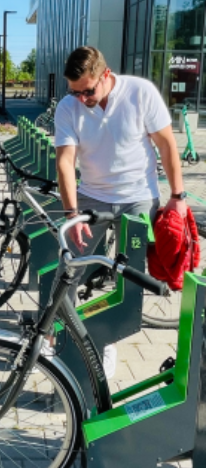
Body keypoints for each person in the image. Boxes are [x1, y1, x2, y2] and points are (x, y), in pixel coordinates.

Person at [53, 46, 186, 377]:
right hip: (91, 197)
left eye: (88, 90)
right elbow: (65, 162)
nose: (82, 98)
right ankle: (56, 336)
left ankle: (107, 339)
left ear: (105, 74)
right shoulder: (69, 107)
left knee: (129, 281)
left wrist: (178, 196)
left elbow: (167, 144)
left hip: (138, 198)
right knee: (69, 268)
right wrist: (72, 214)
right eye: (75, 92)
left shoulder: (140, 92)